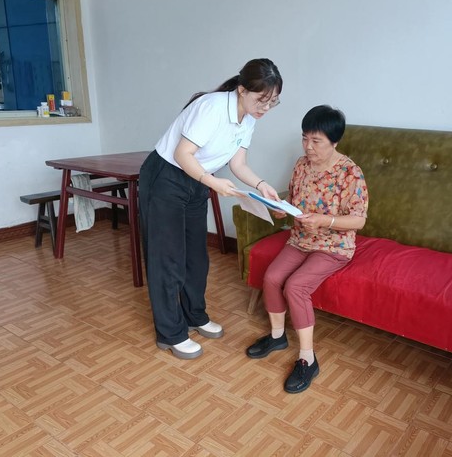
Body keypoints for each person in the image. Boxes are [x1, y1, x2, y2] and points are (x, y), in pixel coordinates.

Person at [139, 58, 283, 360]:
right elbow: (182, 154)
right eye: (262, 99)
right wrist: (212, 182)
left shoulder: (249, 118)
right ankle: (170, 333)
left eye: (273, 102)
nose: (266, 108)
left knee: (196, 257)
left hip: (196, 180)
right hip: (166, 177)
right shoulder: (212, 107)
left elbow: (238, 164)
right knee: (168, 259)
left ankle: (195, 315)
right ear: (242, 90)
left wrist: (262, 186)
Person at [246, 105, 368, 393]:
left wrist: (325, 220)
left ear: (334, 141)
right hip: (300, 239)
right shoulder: (302, 164)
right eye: (304, 138)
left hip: (333, 245)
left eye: (316, 141)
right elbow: (295, 200)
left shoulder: (350, 173)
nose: (308, 147)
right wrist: (281, 208)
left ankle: (307, 359)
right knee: (272, 278)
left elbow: (359, 220)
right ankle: (278, 336)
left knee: (296, 286)